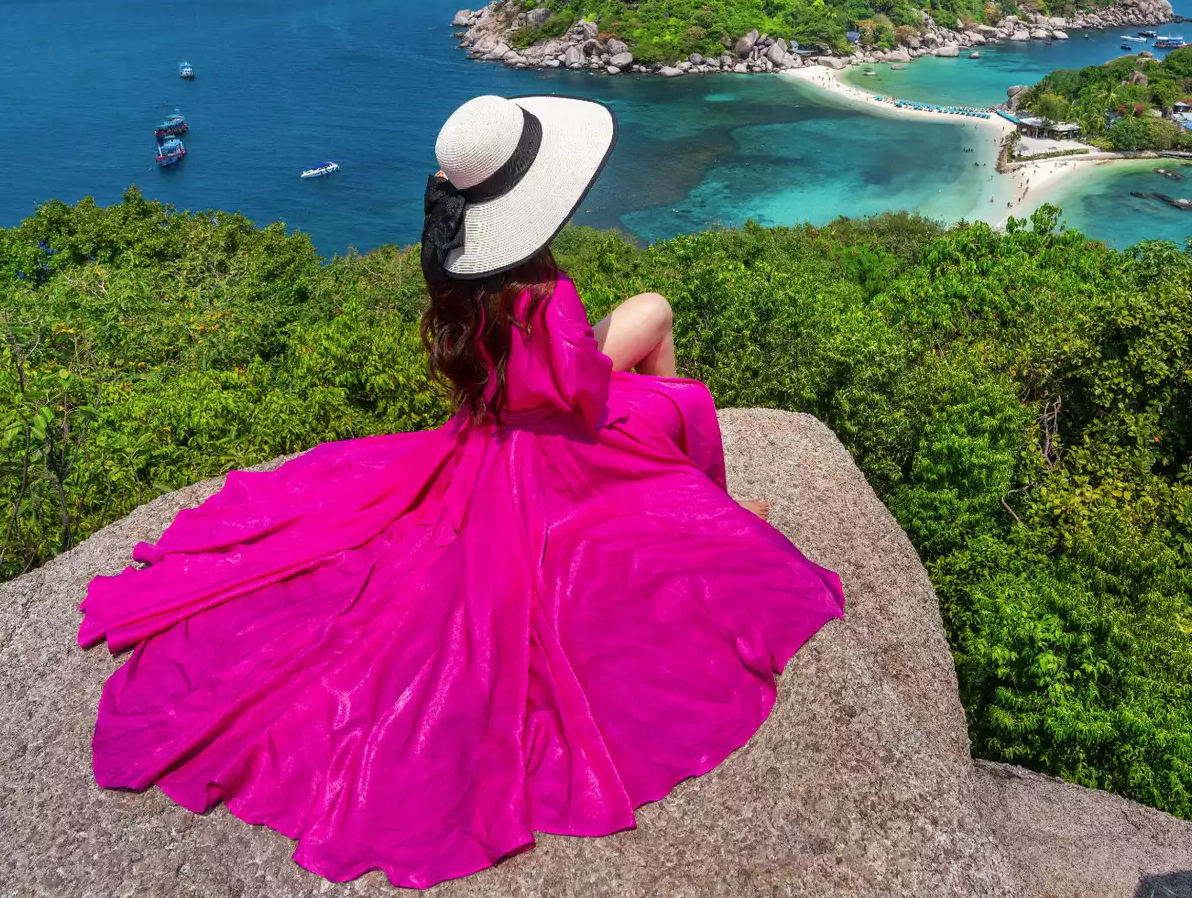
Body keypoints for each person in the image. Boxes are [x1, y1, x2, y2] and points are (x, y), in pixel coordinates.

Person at [78, 94, 845, 889]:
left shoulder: (456, 276)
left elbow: (496, 378)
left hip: (481, 443)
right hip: (554, 459)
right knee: (663, 345)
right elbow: (585, 395)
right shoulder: (547, 293)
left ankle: (704, 504)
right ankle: (708, 508)